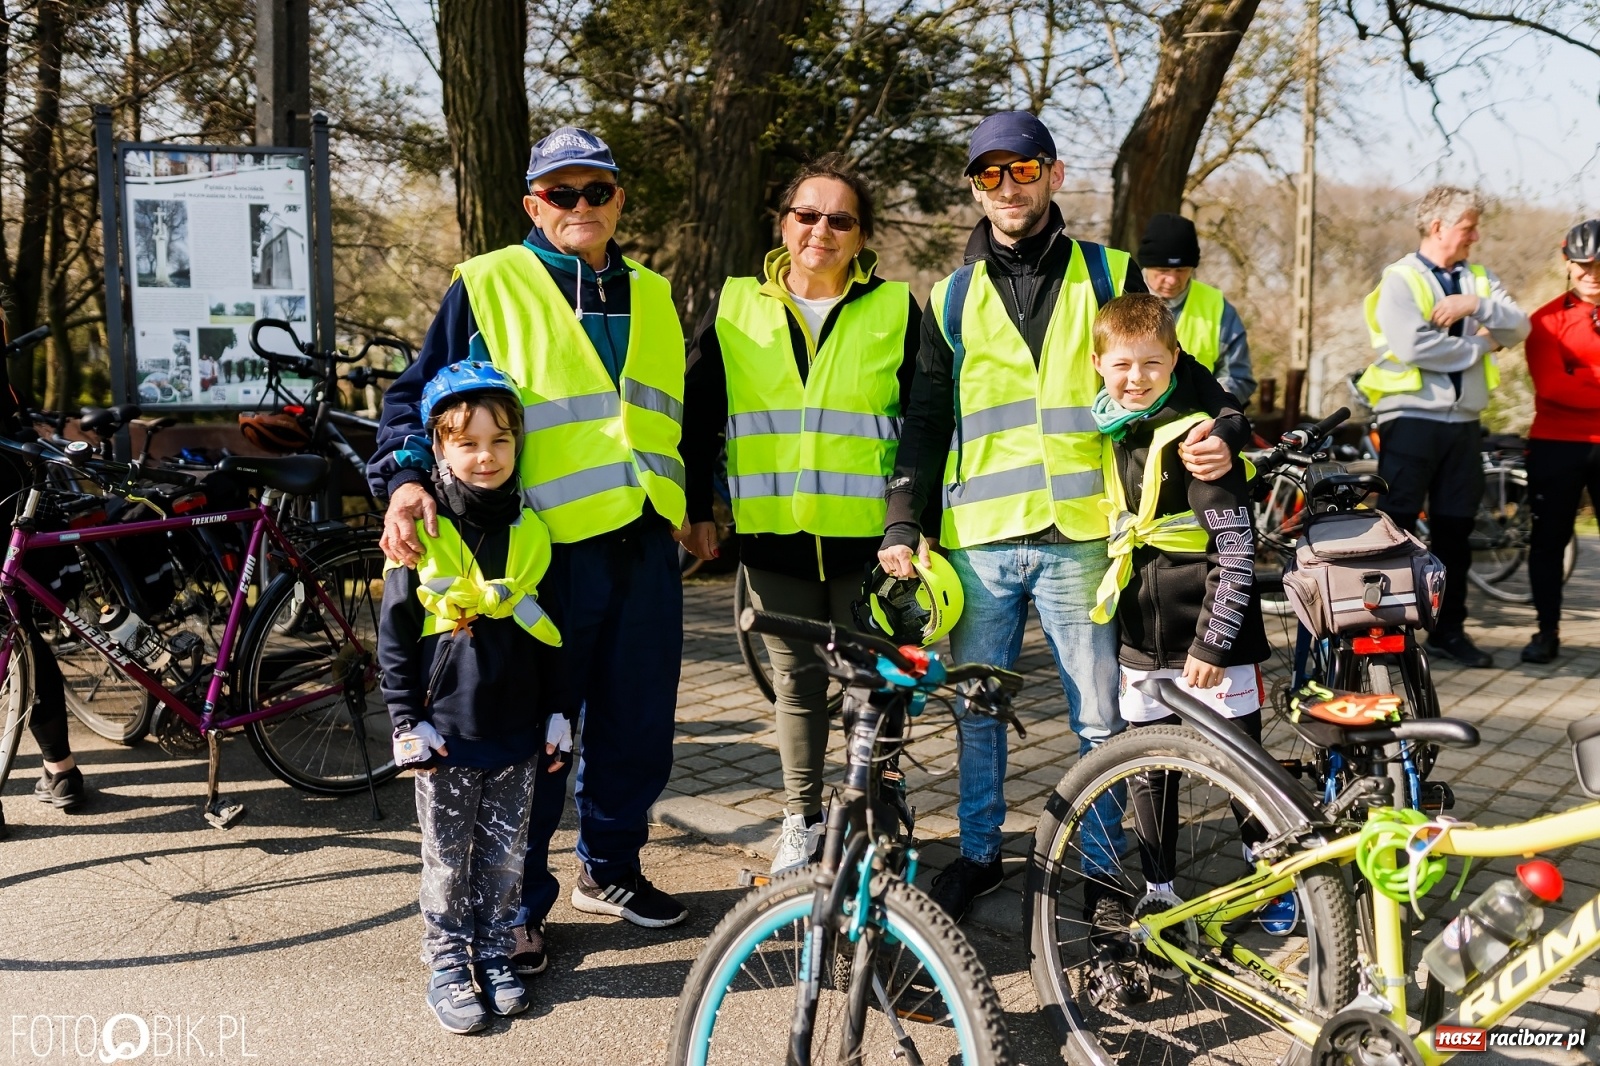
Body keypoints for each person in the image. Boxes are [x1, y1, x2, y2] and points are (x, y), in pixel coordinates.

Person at [877, 111, 1249, 923]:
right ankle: (979, 855)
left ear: (1052, 172)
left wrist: (1223, 432)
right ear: (976, 186)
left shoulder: (1112, 270)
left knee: (1097, 719)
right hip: (979, 541)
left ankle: (1104, 869)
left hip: (1086, 536)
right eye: (988, 175)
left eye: (1022, 170)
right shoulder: (948, 295)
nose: (1006, 188)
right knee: (979, 712)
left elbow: (1181, 378)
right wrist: (903, 521)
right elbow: (928, 416)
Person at [369, 126, 691, 979]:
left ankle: (611, 870)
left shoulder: (654, 293)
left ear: (620, 200)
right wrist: (407, 483)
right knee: (536, 740)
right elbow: (413, 403)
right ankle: (520, 904)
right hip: (543, 554)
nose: (580, 206)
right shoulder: (489, 283)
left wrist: (697, 512)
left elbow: (672, 416)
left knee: (639, 731)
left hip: (645, 545)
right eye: (561, 194)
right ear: (532, 205)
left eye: (596, 191)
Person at [680, 155, 920, 874]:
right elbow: (699, 416)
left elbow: (920, 427)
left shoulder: (898, 308)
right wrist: (699, 508)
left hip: (868, 545)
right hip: (773, 538)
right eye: (807, 215)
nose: (821, 229)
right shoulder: (733, 305)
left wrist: (908, 523)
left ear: (861, 235)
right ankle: (801, 821)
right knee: (796, 686)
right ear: (783, 224)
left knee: (873, 685)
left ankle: (873, 813)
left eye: (839, 219)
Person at [1085, 293, 1285, 945]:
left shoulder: (1198, 440)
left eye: (1151, 363)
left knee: (1240, 766)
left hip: (1211, 642)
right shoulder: (1114, 428)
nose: (1135, 378)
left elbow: (1235, 552)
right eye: (1121, 365)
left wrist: (1213, 643)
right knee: (1150, 769)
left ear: (1175, 360)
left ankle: (1276, 882)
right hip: (1141, 635)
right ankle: (1159, 889)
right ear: (1098, 365)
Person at [379, 362, 562, 1034]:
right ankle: (450, 963)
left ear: (518, 444)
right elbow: (395, 636)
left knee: (504, 856)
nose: (486, 457)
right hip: (446, 732)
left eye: (500, 441)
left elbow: (551, 636)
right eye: (467, 443)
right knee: (447, 860)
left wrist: (559, 714)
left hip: (516, 729)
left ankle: (494, 951)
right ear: (439, 448)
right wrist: (404, 720)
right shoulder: (420, 534)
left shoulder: (533, 532)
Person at [1359, 185, 1530, 669]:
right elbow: (1414, 348)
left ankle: (1448, 632)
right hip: (1410, 420)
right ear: (1438, 228)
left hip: (1464, 424)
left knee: (1456, 530)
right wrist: (1481, 345)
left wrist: (1475, 306)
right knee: (1395, 528)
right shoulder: (1400, 279)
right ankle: (1383, 631)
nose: (1476, 235)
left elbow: (1519, 327)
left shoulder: (1478, 279)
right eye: (1468, 226)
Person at [1519, 219, 1600, 664]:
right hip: (1556, 442)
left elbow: (1571, 385)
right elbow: (1552, 388)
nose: (1591, 274)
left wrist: (1582, 376)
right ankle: (1545, 631)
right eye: (1582, 265)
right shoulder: (1545, 320)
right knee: (1549, 540)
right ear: (1567, 262)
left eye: (1599, 265)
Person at [1138, 213, 1256, 407]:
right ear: (1147, 266)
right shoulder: (1120, 295)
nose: (1172, 279)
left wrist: (1213, 404)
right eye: (1163, 271)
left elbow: (1238, 377)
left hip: (1199, 424)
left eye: (1181, 270)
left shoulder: (1217, 307)